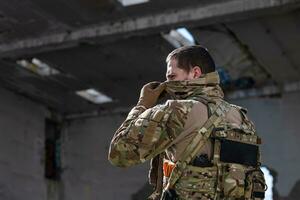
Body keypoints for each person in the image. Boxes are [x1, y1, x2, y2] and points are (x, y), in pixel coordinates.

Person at [108, 45, 266, 200]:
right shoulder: (241, 117)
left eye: (171, 77)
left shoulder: (177, 110)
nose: (166, 84)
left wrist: (142, 105)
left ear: (195, 73)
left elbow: (120, 153)